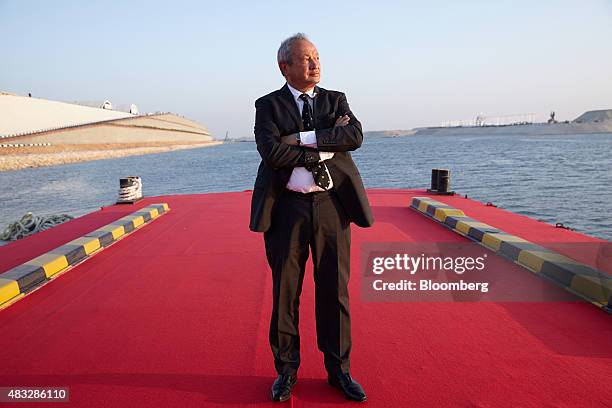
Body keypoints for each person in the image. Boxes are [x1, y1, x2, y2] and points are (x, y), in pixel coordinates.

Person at [249, 33, 374, 402]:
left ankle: (339, 370)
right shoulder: (267, 105)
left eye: (317, 57)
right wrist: (320, 148)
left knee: (335, 290)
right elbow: (271, 152)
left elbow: (352, 135)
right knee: (286, 291)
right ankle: (286, 371)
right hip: (287, 209)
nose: (315, 64)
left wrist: (301, 139)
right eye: (306, 59)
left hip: (332, 208)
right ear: (284, 65)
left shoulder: (336, 99)